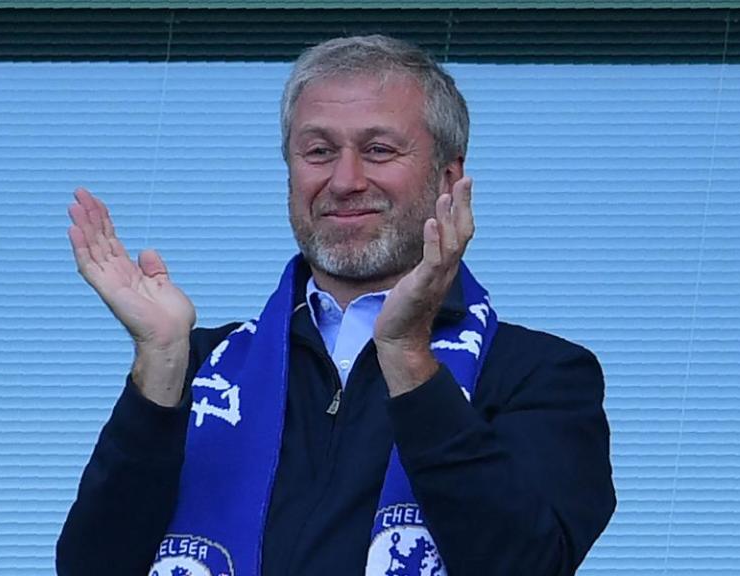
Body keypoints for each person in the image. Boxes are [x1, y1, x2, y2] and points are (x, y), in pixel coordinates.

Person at [57, 35, 615, 576]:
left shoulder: (540, 374)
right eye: (319, 151)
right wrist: (159, 363)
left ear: (448, 178)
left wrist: (407, 358)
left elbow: (527, 563)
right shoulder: (197, 368)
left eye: (378, 150)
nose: (345, 181)